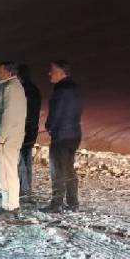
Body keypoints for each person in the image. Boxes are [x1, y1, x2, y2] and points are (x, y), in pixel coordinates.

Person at [41, 60, 83, 213]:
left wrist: (50, 126)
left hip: (62, 135)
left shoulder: (61, 90)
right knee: (69, 167)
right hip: (74, 133)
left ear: (60, 72)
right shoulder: (75, 88)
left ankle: (56, 203)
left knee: (57, 169)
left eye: (52, 71)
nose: (49, 73)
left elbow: (56, 113)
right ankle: (73, 202)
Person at [0, 62, 27, 221]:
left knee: (6, 172)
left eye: (0, 71)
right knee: (8, 171)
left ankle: (10, 207)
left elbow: (9, 114)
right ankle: (9, 205)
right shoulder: (12, 87)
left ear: (9, 72)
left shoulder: (11, 88)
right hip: (11, 136)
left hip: (7, 137)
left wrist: (1, 136)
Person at [16, 64, 42, 205]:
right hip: (31, 130)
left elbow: (23, 113)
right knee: (26, 160)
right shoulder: (35, 90)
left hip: (24, 130)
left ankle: (23, 191)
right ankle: (26, 191)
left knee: (21, 161)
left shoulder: (23, 91)